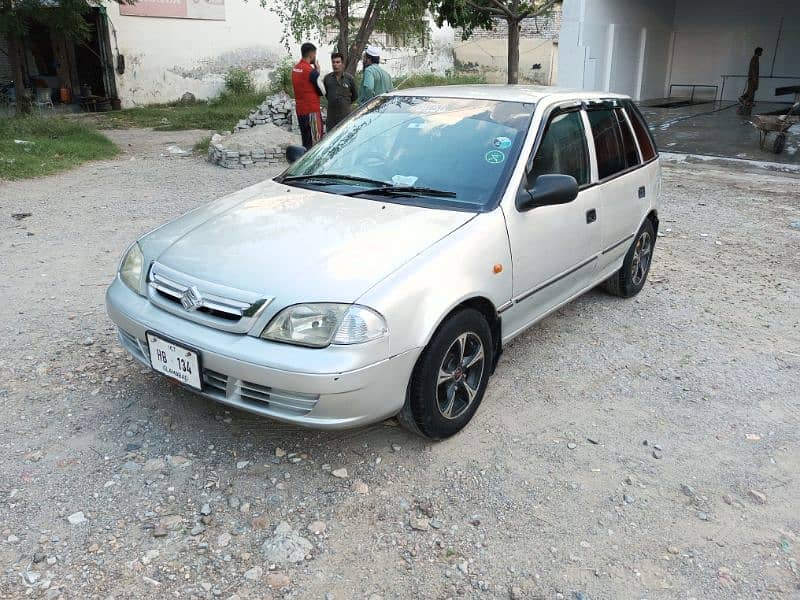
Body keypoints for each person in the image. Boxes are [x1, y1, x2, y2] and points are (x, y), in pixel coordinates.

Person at [291, 42, 325, 150]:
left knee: (305, 141)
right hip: (312, 111)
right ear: (312, 55)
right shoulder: (311, 72)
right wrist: (317, 71)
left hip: (300, 110)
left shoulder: (295, 69)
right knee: (316, 141)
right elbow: (323, 91)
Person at [323, 53, 358, 130]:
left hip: (345, 117)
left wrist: (346, 102)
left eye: (338, 62)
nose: (335, 64)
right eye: (333, 62)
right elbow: (326, 94)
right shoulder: (327, 79)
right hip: (331, 119)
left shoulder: (349, 79)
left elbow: (355, 96)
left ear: (342, 64)